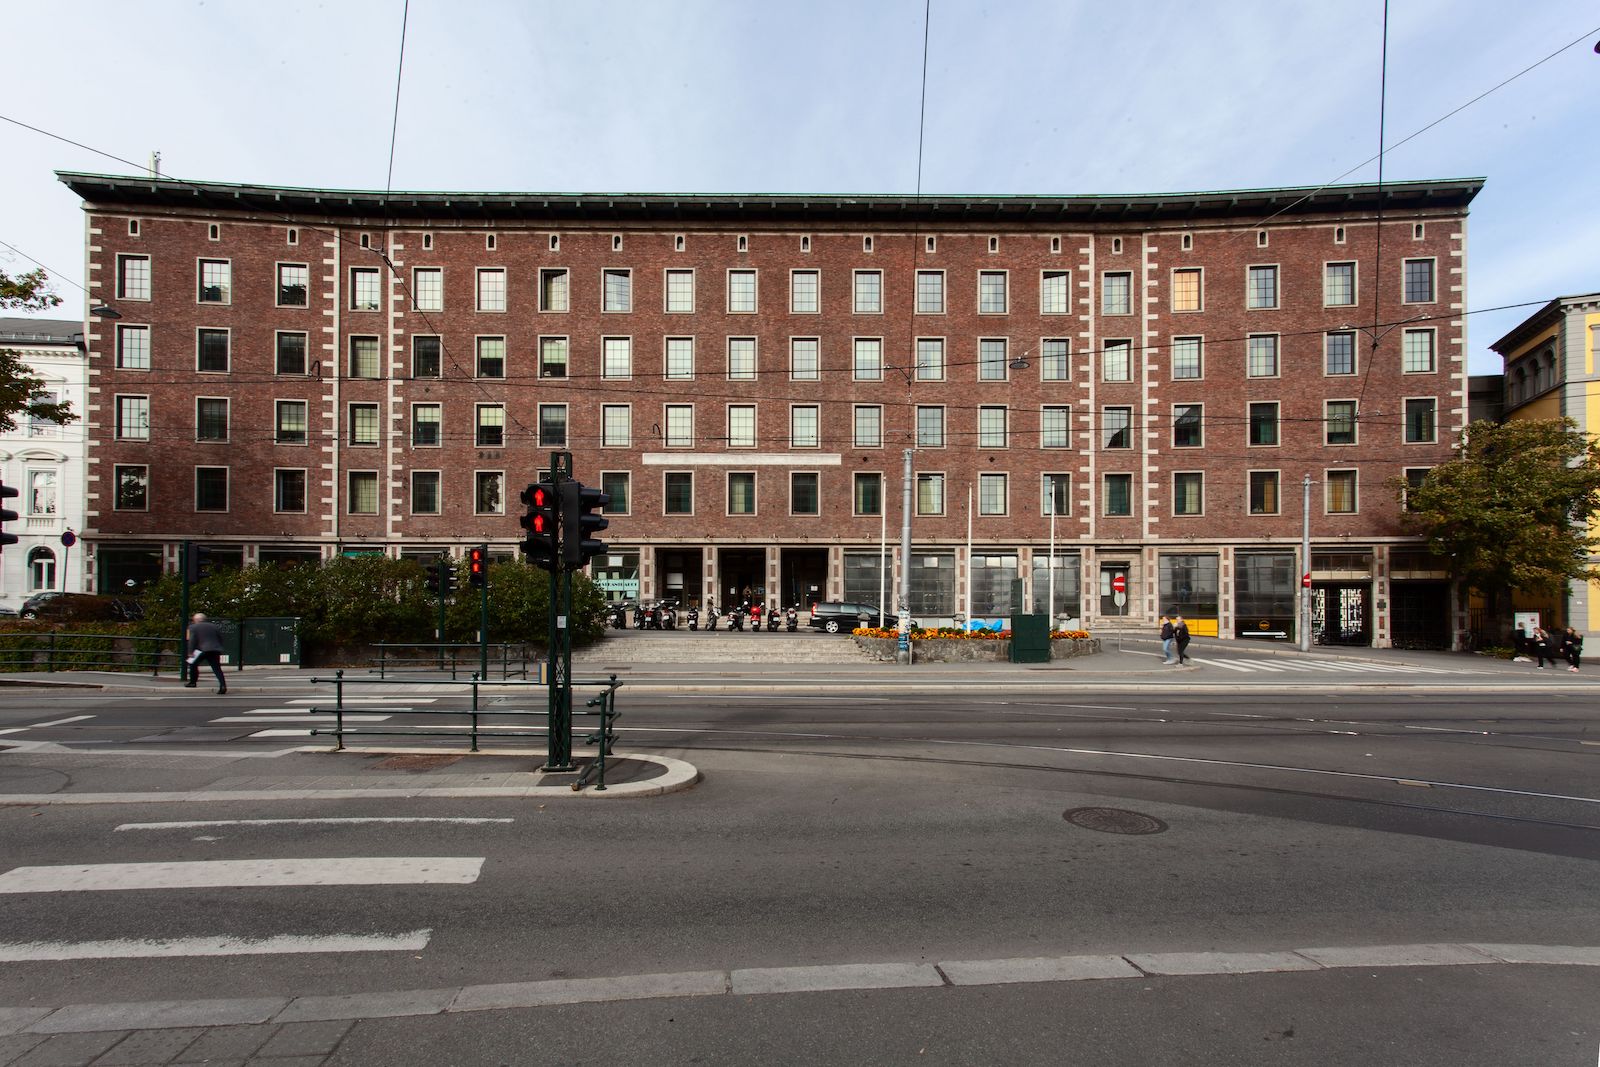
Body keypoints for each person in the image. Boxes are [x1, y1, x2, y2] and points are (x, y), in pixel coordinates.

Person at [184, 612, 227, 693]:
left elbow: (191, 640)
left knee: (192, 663)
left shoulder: (192, 627)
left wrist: (190, 652)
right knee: (217, 668)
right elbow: (220, 637)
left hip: (201, 649)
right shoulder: (214, 626)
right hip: (215, 649)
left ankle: (193, 682)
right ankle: (223, 685)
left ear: (196, 620)